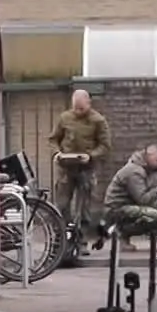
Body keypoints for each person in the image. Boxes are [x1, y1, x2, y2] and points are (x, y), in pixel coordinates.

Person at [48, 89, 111, 238]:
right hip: (66, 168)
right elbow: (53, 139)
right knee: (62, 204)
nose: (78, 111)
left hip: (86, 169)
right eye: (75, 108)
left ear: (89, 104)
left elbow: (105, 145)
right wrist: (57, 153)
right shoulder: (64, 118)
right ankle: (63, 238)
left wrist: (91, 156)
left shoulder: (98, 120)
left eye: (81, 109)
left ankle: (81, 239)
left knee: (84, 207)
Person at [102, 144, 157, 247]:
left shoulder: (139, 167)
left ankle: (123, 235)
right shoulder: (135, 172)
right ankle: (121, 232)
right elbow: (142, 199)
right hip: (117, 209)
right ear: (149, 158)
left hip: (123, 206)